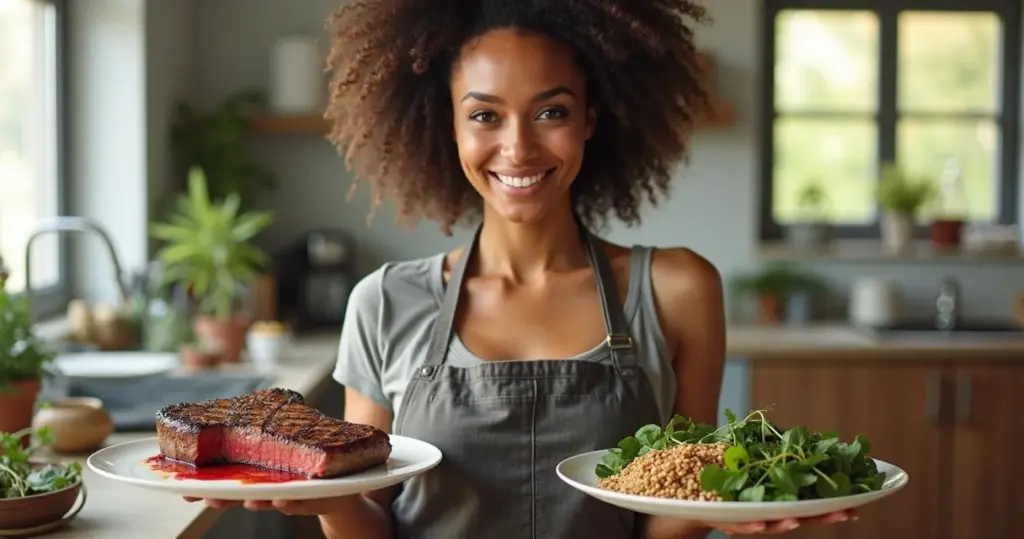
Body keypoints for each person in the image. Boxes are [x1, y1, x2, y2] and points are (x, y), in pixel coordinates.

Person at [186, 0, 857, 537]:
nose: (518, 146)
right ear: (447, 125)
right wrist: (325, 504)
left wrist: (736, 504)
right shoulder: (385, 301)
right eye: (485, 114)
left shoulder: (676, 290)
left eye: (552, 112)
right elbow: (372, 518)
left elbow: (671, 497)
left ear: (590, 119)